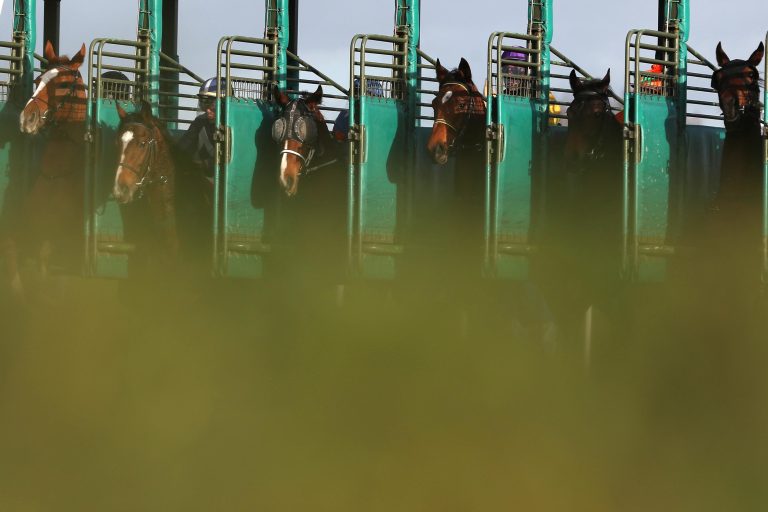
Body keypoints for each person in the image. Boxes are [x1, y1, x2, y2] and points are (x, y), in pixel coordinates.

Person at [177, 77, 224, 180]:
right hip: (205, 180)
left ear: (224, 105)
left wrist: (205, 164)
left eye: (213, 105)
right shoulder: (200, 122)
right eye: (204, 104)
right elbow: (183, 147)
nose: (207, 110)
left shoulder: (233, 126)